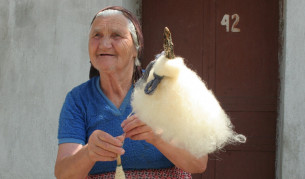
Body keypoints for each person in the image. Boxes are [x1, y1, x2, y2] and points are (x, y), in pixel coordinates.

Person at [54, 6, 208, 179]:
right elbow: (63, 174)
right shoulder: (78, 100)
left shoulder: (166, 89)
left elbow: (199, 163)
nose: (104, 44)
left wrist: (157, 137)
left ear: (136, 48)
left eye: (116, 35)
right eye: (97, 35)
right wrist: (89, 152)